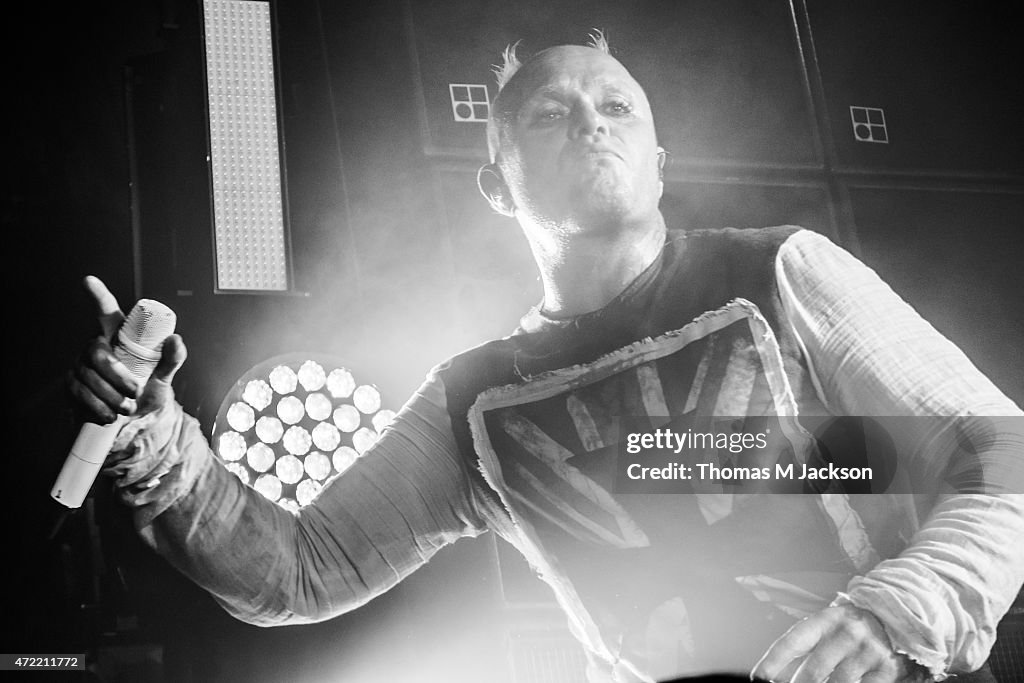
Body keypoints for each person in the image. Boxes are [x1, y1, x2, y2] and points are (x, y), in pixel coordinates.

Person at [68, 34, 1024, 683]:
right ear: (497, 183)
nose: (591, 122)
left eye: (617, 106)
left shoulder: (777, 269)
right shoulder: (474, 401)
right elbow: (296, 571)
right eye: (549, 114)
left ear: (659, 160)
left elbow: (1000, 453)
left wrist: (895, 611)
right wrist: (155, 440)